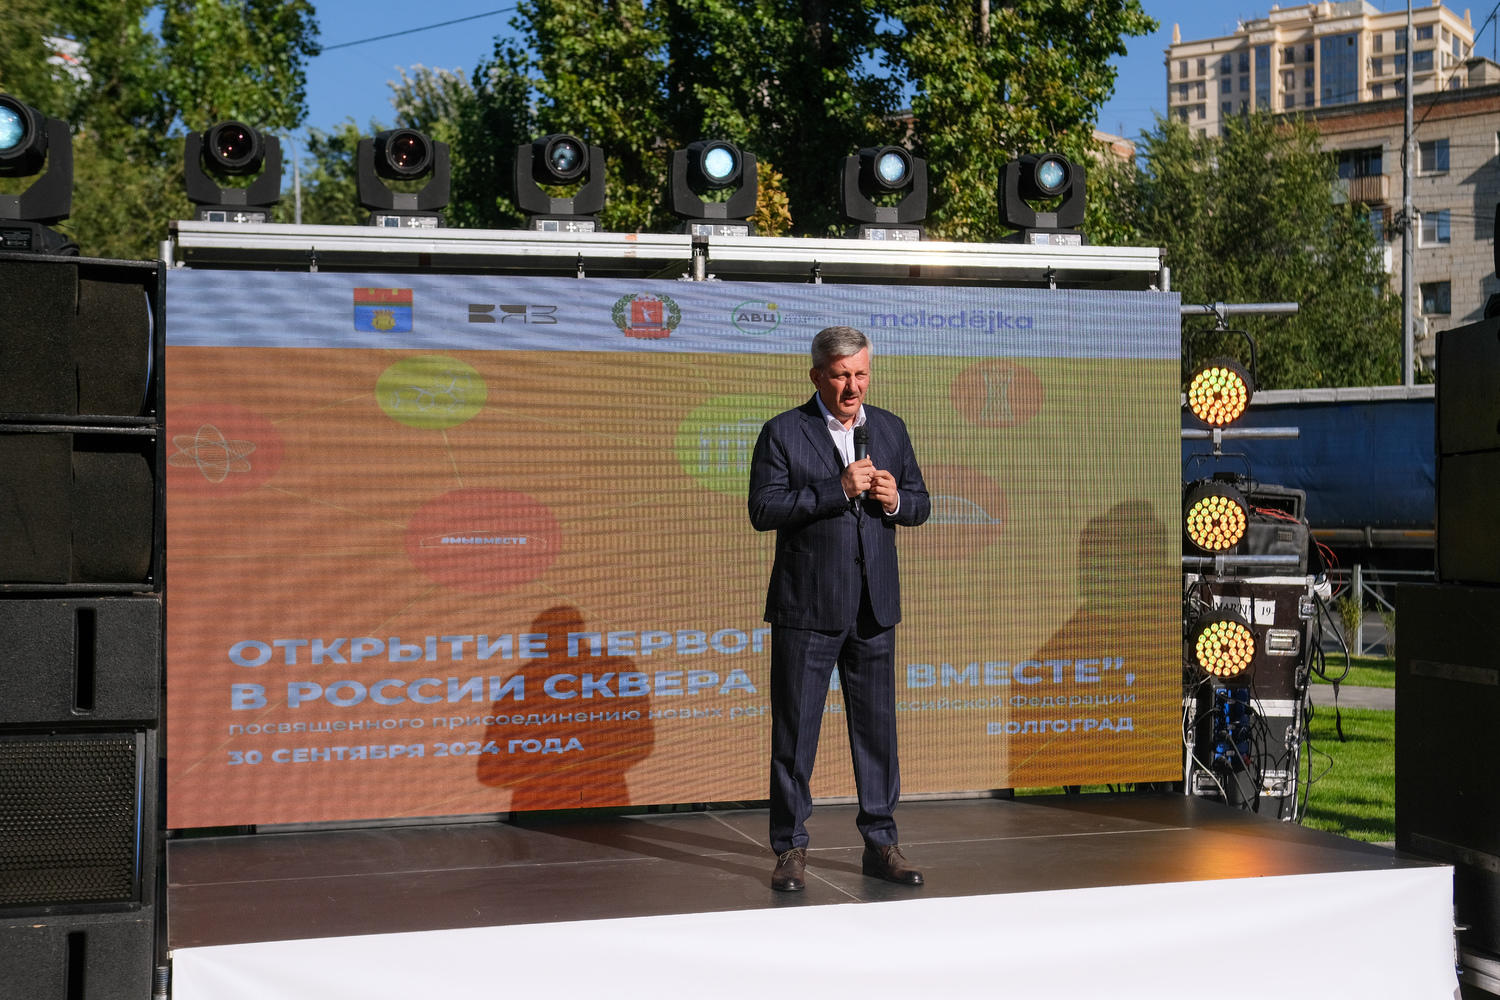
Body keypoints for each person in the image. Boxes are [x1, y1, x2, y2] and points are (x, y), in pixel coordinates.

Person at [747, 325, 930, 892]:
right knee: (796, 733)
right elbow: (764, 509)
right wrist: (838, 488)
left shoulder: (890, 428)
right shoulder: (783, 432)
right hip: (807, 608)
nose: (853, 387)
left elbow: (921, 503)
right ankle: (790, 848)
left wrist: (896, 501)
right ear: (817, 376)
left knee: (877, 733)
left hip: (874, 608)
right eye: (841, 375)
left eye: (861, 374)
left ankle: (881, 842)